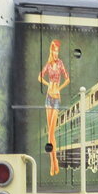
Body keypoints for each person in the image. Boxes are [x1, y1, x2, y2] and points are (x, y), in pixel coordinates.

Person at [38, 39, 70, 175]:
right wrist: (48, 85)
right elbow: (40, 77)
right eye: (54, 51)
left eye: (58, 51)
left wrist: (59, 88)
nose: (56, 53)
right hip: (48, 98)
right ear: (51, 51)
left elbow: (67, 79)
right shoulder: (49, 64)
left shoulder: (60, 63)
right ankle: (53, 163)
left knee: (51, 132)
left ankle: (54, 162)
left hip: (56, 99)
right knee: (50, 135)